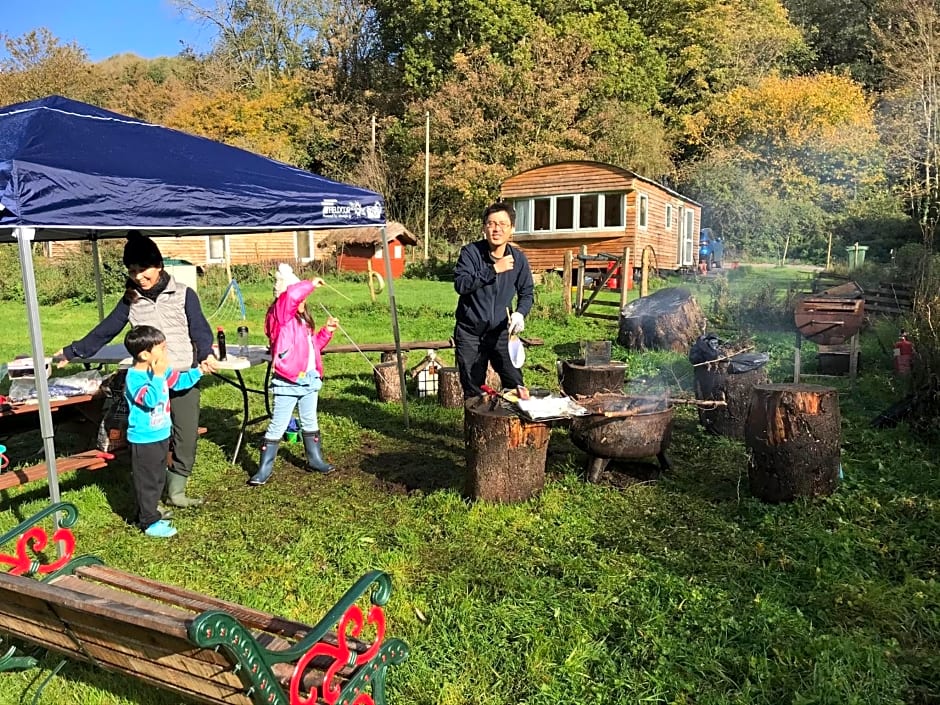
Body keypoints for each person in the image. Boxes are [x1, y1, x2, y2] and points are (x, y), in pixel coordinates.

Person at [55, 231, 217, 507]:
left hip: (180, 375)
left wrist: (206, 354)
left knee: (185, 436)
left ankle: (176, 491)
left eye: (144, 271)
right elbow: (105, 330)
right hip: (147, 380)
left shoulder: (183, 294)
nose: (139, 278)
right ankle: (151, 493)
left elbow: (199, 328)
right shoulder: (131, 300)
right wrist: (73, 352)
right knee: (152, 441)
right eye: (133, 272)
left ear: (159, 266)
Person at [248, 263, 339, 486]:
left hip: (309, 379)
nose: (302, 302)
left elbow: (312, 347)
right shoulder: (280, 318)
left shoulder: (302, 322)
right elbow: (290, 296)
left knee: (310, 420)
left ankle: (315, 459)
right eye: (299, 298)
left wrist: (326, 332)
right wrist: (310, 283)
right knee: (278, 425)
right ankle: (263, 469)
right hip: (288, 380)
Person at [123, 325, 203, 537]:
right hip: (144, 439)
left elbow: (179, 382)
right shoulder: (135, 378)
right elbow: (149, 400)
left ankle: (149, 511)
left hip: (161, 434)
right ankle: (147, 522)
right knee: (147, 481)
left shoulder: (160, 371)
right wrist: (158, 377)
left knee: (158, 478)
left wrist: (201, 370)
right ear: (144, 354)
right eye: (162, 349)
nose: (166, 353)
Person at [453, 202, 534, 398]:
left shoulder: (518, 259)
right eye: (491, 223)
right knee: (473, 388)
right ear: (484, 227)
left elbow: (527, 292)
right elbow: (461, 285)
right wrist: (493, 269)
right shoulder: (471, 253)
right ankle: (475, 427)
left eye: (502, 224)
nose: (496, 229)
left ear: (512, 229)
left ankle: (515, 426)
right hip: (470, 333)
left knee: (516, 385)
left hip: (501, 333)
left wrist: (520, 314)